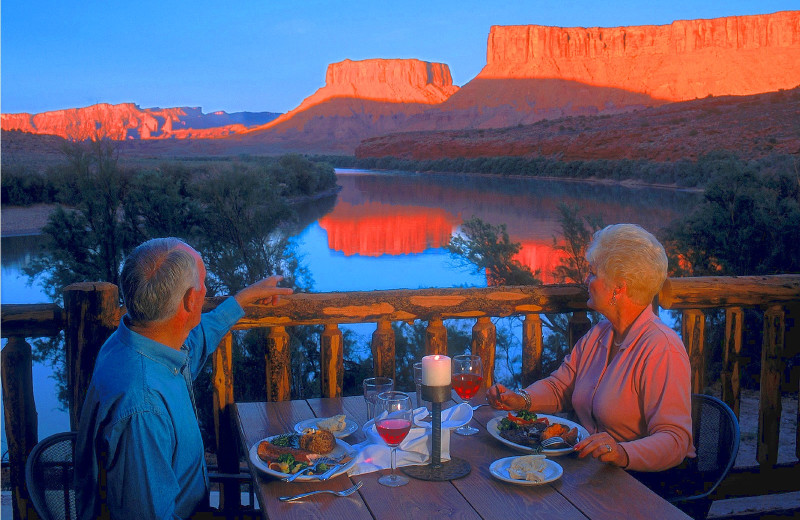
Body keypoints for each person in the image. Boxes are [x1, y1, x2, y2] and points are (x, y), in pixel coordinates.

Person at [75, 237, 293, 520]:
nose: (205, 291)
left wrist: (242, 299)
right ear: (190, 302)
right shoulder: (143, 405)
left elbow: (198, 340)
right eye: (203, 285)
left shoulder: (136, 341)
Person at [487, 223, 695, 473]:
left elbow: (675, 440)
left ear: (619, 287)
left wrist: (621, 452)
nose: (587, 280)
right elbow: (561, 388)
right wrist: (521, 399)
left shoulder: (662, 348)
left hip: (642, 483)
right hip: (591, 472)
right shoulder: (599, 334)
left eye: (593, 273)